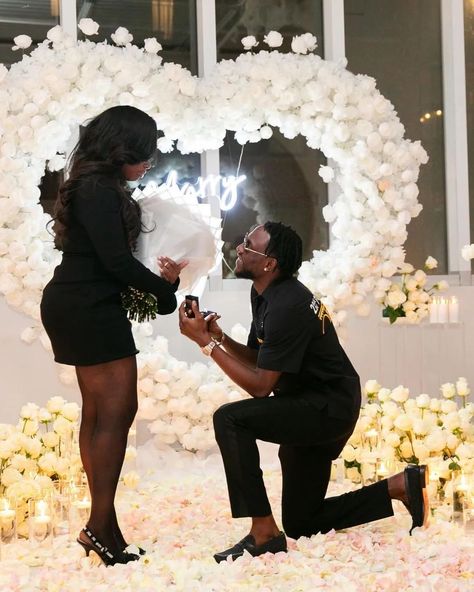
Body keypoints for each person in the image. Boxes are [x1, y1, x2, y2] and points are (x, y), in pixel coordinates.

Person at [178, 221, 429, 563]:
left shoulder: (288, 305)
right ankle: (399, 486)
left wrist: (204, 343)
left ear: (270, 264)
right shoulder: (265, 294)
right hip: (309, 402)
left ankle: (263, 532)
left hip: (326, 409)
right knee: (301, 522)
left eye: (248, 245)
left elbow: (260, 387)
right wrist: (218, 336)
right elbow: (260, 360)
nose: (238, 247)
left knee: (230, 420)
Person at [41, 105, 187, 566]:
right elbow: (116, 264)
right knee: (117, 412)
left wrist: (163, 285)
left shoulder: (93, 186)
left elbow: (112, 262)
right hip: (87, 305)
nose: (149, 163)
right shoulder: (98, 189)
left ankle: (104, 525)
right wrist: (165, 293)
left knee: (103, 413)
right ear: (121, 147)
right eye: (145, 153)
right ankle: (99, 527)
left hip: (81, 301)